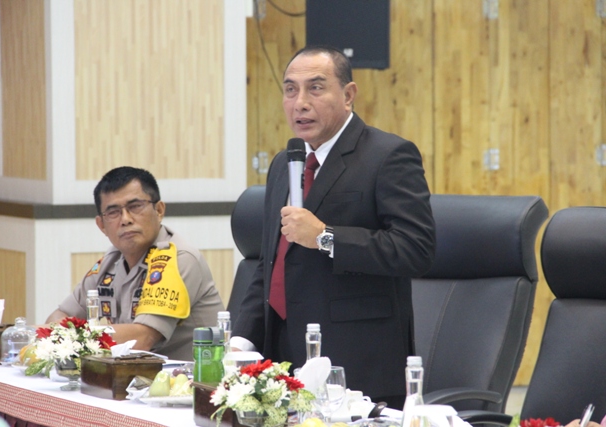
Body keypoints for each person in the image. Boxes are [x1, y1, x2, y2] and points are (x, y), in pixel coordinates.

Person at [231, 45, 436, 409]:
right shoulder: (285, 163)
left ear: (348, 95)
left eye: (316, 87)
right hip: (282, 359)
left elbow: (415, 250)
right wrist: (242, 340)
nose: (300, 102)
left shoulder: (388, 155)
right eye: (290, 89)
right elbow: (271, 262)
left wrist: (326, 237)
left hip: (355, 366)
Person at [46, 166, 224, 360]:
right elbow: (60, 316)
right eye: (113, 212)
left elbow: (142, 338)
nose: (126, 220)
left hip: (190, 382)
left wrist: (71, 338)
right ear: (101, 225)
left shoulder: (179, 258)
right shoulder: (111, 261)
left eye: (135, 207)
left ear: (159, 210)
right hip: (132, 380)